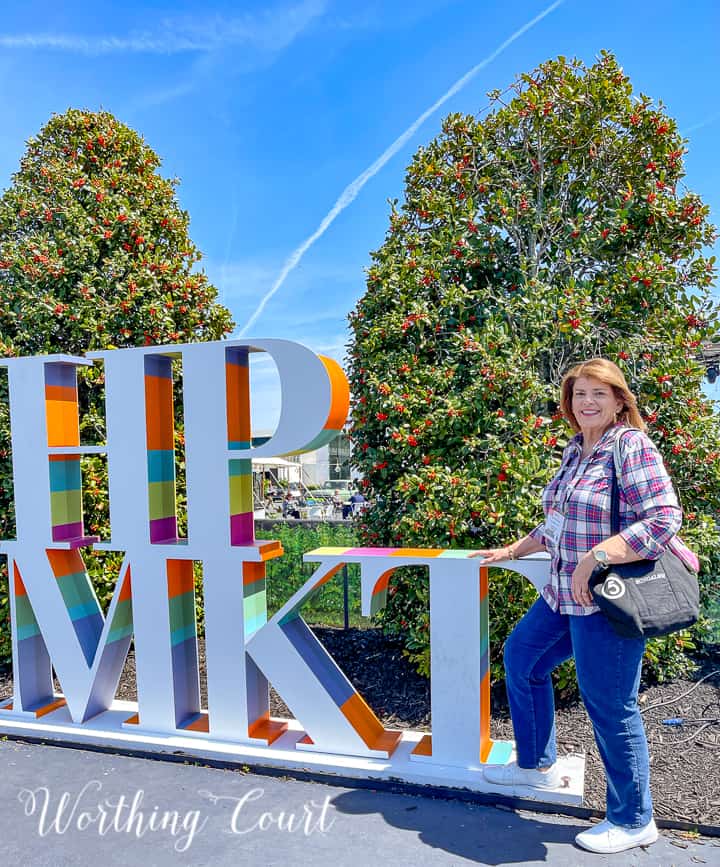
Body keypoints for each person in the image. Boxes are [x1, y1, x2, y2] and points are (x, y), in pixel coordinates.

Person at [472, 358, 697, 855]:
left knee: (611, 706)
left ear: (619, 401)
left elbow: (663, 519)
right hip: (563, 592)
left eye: (599, 393)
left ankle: (635, 818)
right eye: (579, 395)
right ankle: (534, 764)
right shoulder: (576, 450)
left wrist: (596, 558)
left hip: (608, 600)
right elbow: (558, 524)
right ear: (569, 405)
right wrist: (513, 550)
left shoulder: (629, 445)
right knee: (523, 659)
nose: (588, 402)